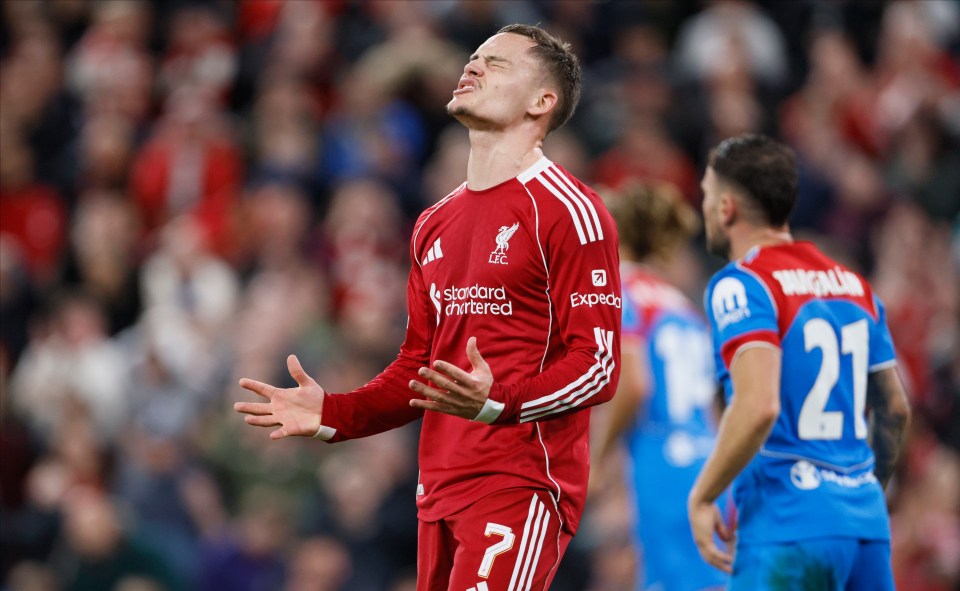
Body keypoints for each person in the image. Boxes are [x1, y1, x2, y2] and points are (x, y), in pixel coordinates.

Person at [235, 24, 621, 591]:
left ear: (542, 101)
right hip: (437, 491)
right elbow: (419, 367)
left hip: (519, 483)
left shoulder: (570, 210)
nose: (473, 67)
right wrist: (336, 414)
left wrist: (498, 403)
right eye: (474, 57)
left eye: (497, 63)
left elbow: (599, 366)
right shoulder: (433, 223)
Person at [688, 134, 911, 590]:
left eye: (707, 195)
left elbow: (759, 405)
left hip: (788, 524)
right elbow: (895, 410)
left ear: (727, 207)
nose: (704, 207)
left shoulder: (743, 284)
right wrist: (856, 492)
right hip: (865, 527)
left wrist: (703, 496)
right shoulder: (854, 285)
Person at [592, 182, 727, 591]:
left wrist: (597, 457)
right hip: (709, 463)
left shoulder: (620, 292)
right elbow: (712, 407)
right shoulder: (681, 306)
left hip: (662, 463)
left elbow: (635, 384)